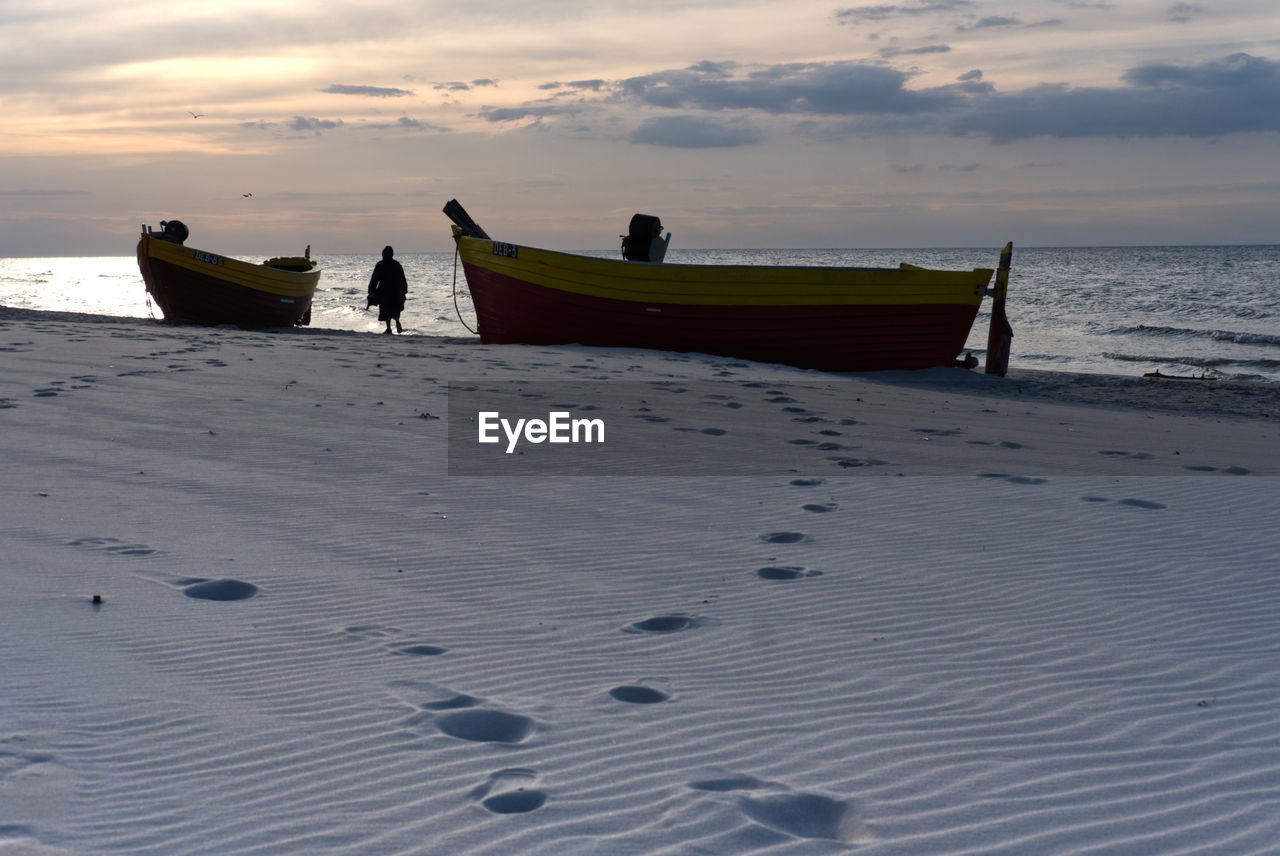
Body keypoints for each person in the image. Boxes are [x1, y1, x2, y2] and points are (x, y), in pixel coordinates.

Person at [367, 246, 408, 334]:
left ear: (383, 254)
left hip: (384, 291)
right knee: (395, 309)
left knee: (386, 310)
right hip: (396, 291)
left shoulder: (380, 265)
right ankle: (397, 321)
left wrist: (371, 291)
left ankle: (389, 328)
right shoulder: (397, 264)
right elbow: (402, 279)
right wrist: (404, 290)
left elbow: (374, 279)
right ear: (392, 254)